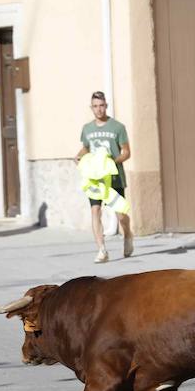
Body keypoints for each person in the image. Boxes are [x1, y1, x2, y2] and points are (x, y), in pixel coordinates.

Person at [75, 90, 133, 263]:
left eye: (101, 106)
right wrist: (78, 156)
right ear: (91, 108)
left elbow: (127, 152)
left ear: (106, 106)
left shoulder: (117, 127)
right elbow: (86, 147)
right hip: (94, 179)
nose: (98, 110)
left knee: (120, 214)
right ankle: (102, 250)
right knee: (95, 210)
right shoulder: (87, 129)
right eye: (95, 106)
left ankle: (128, 235)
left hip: (114, 177)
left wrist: (112, 161)